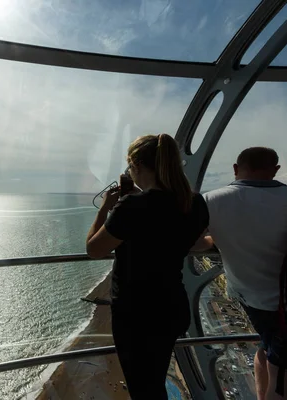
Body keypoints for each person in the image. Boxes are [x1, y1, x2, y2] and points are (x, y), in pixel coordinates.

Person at [86, 133, 209, 399]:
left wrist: (106, 208)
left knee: (144, 389)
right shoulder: (194, 203)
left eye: (130, 167)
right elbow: (195, 242)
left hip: (137, 314)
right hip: (172, 307)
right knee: (153, 383)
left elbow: (94, 249)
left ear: (137, 166)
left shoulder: (131, 206)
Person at [193, 147, 287, 399]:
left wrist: (215, 240)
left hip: (250, 299)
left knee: (266, 354)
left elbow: (191, 244)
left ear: (235, 168)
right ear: (275, 170)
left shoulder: (211, 200)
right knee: (285, 378)